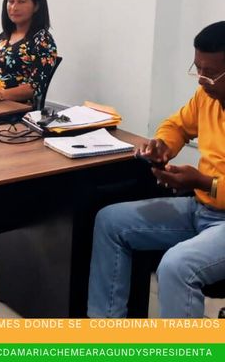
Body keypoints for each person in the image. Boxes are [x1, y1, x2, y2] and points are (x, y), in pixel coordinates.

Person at [87, 22, 225, 318]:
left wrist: (203, 181)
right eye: (198, 69)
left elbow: (209, 183)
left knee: (176, 266)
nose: (202, 80)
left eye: (211, 73)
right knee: (110, 221)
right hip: (202, 208)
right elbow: (177, 125)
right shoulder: (206, 97)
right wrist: (162, 145)